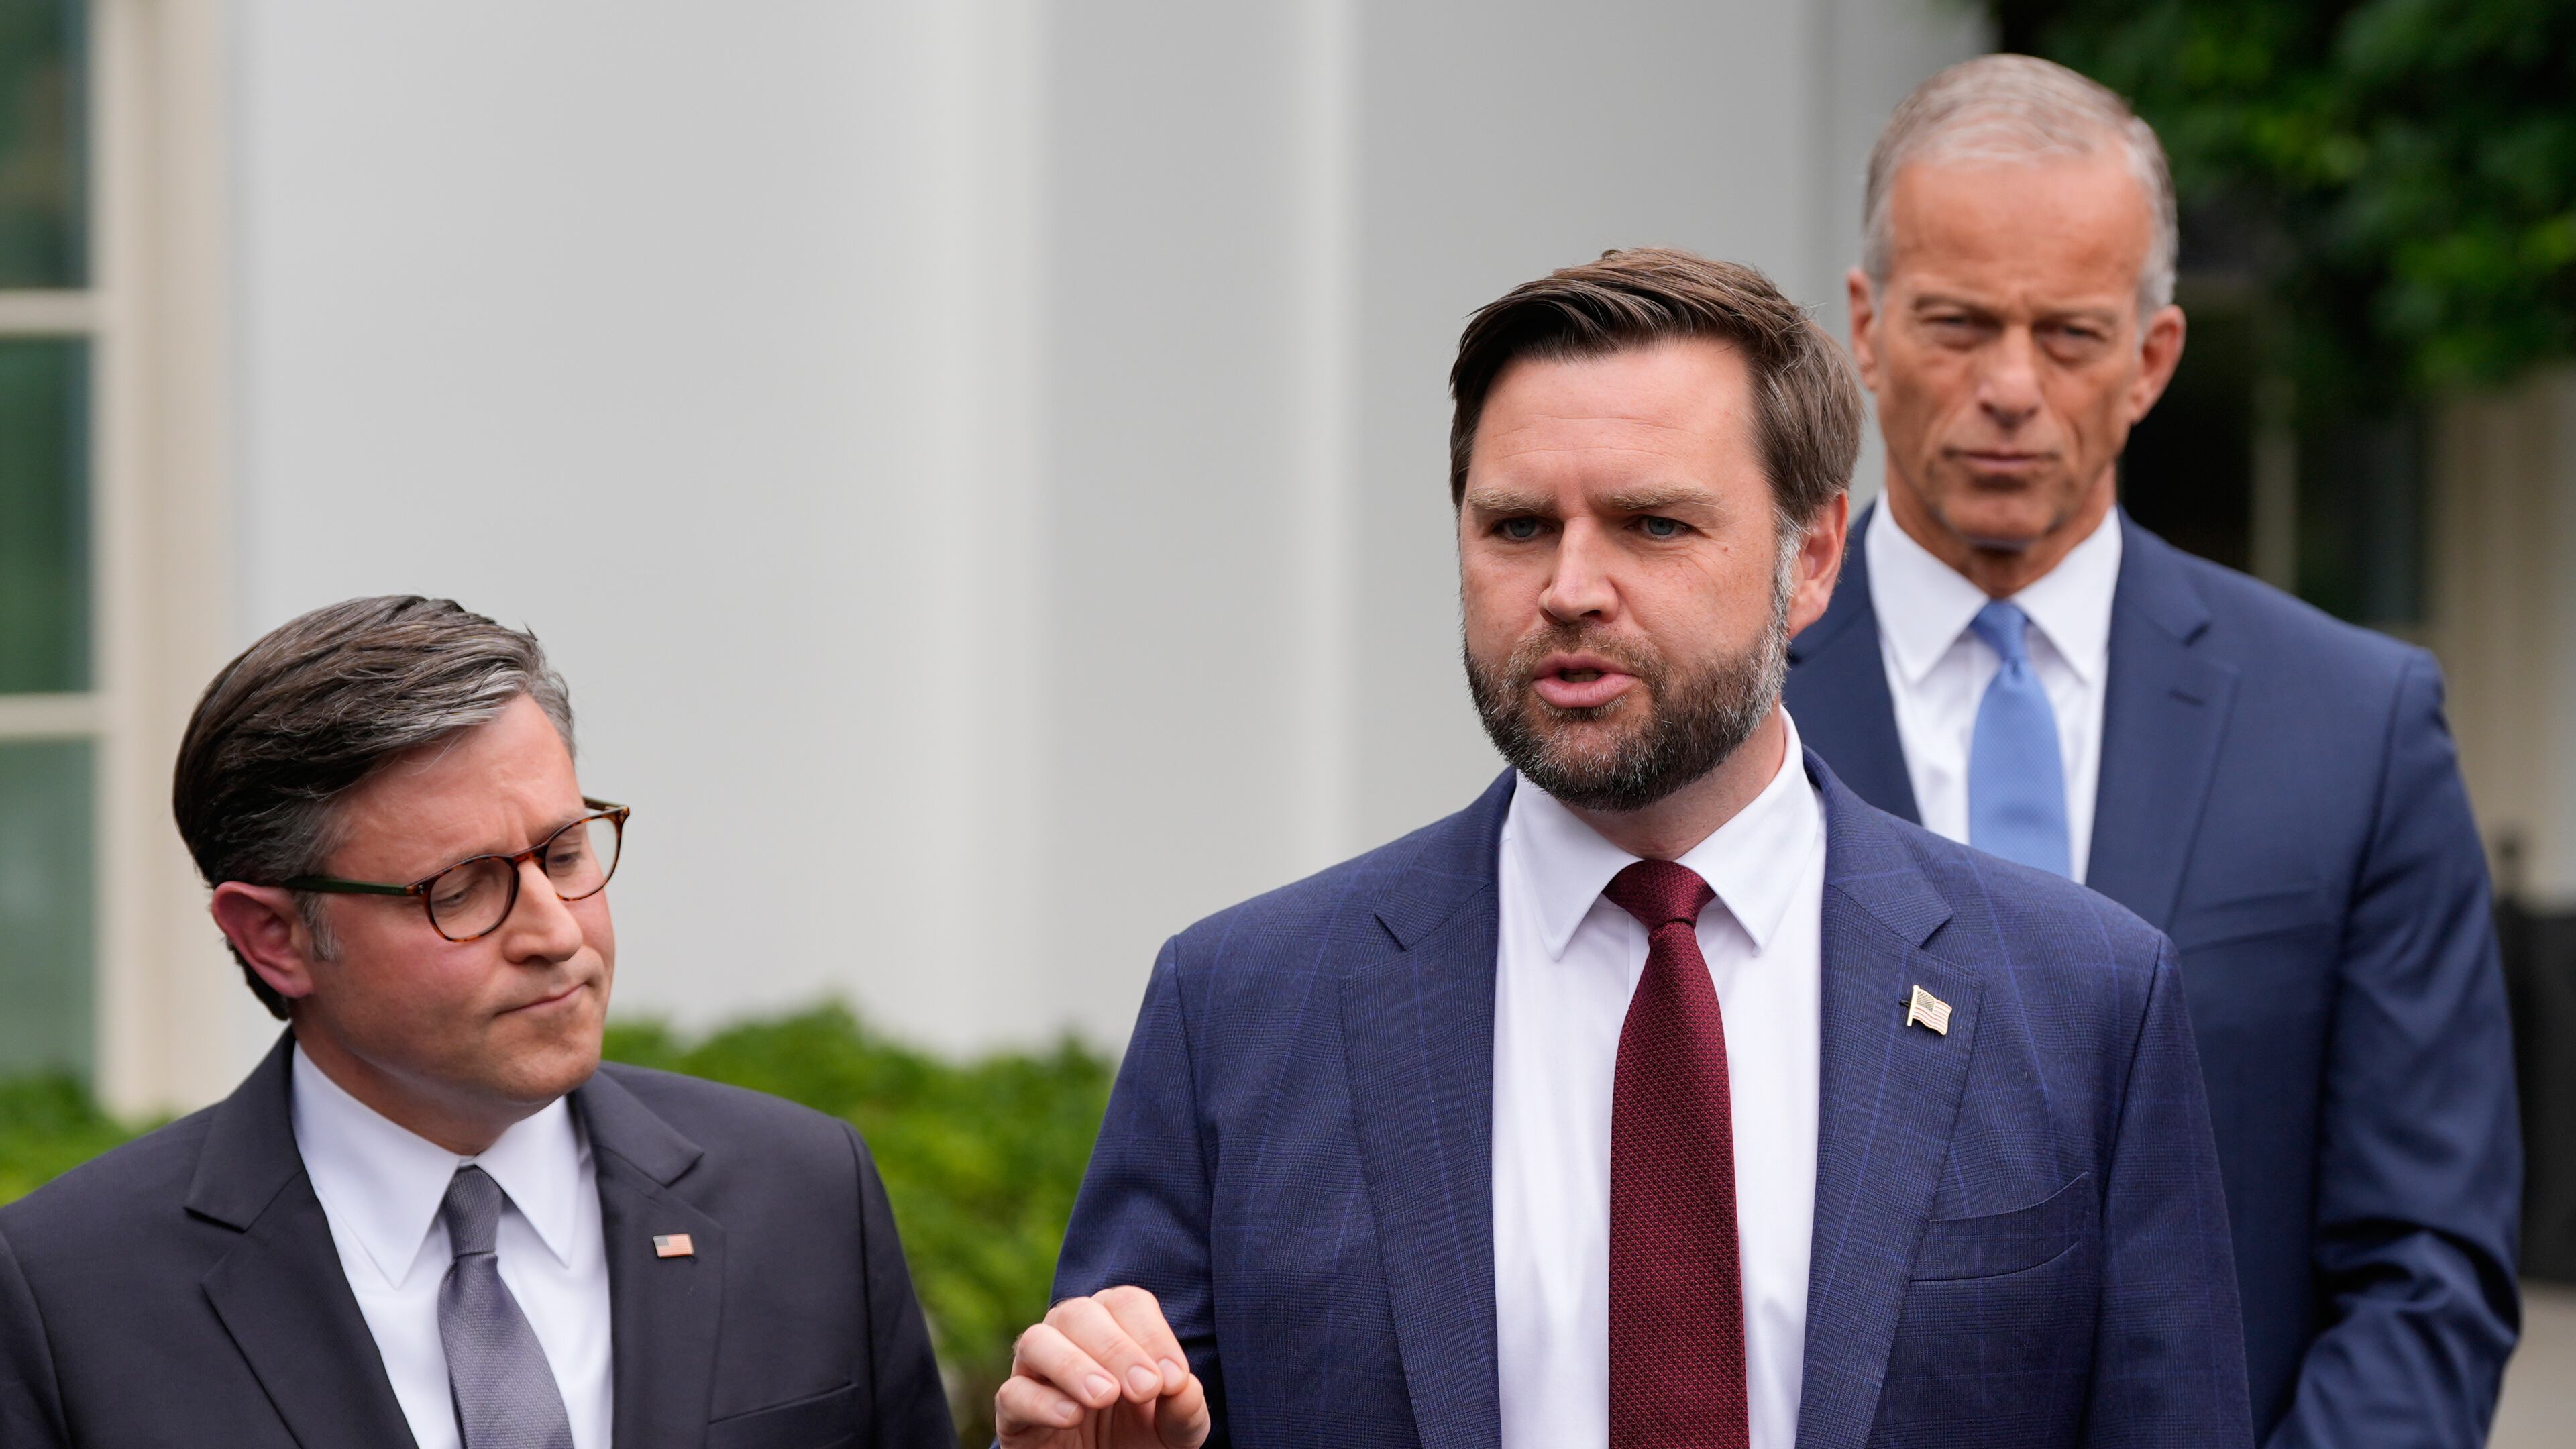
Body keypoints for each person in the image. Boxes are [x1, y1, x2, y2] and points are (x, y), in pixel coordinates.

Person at [996, 248, 2251, 1449]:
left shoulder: (2081, 1000)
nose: (1572, 587)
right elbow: (1120, 1419)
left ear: (1811, 561)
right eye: (1518, 527)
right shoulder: (1243, 1008)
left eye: (1652, 525)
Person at [1782, 55, 2521, 1446]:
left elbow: (2426, 1268)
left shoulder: (2353, 729)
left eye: (2067, 335)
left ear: (2153, 358)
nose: (2010, 385)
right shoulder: (1715, 714)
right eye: (1957, 325)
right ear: (1867, 332)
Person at [0, 597, 953, 1448]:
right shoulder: (66, 1295)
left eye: (567, 851)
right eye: (461, 889)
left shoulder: (804, 1195)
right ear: (274, 936)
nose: (555, 930)